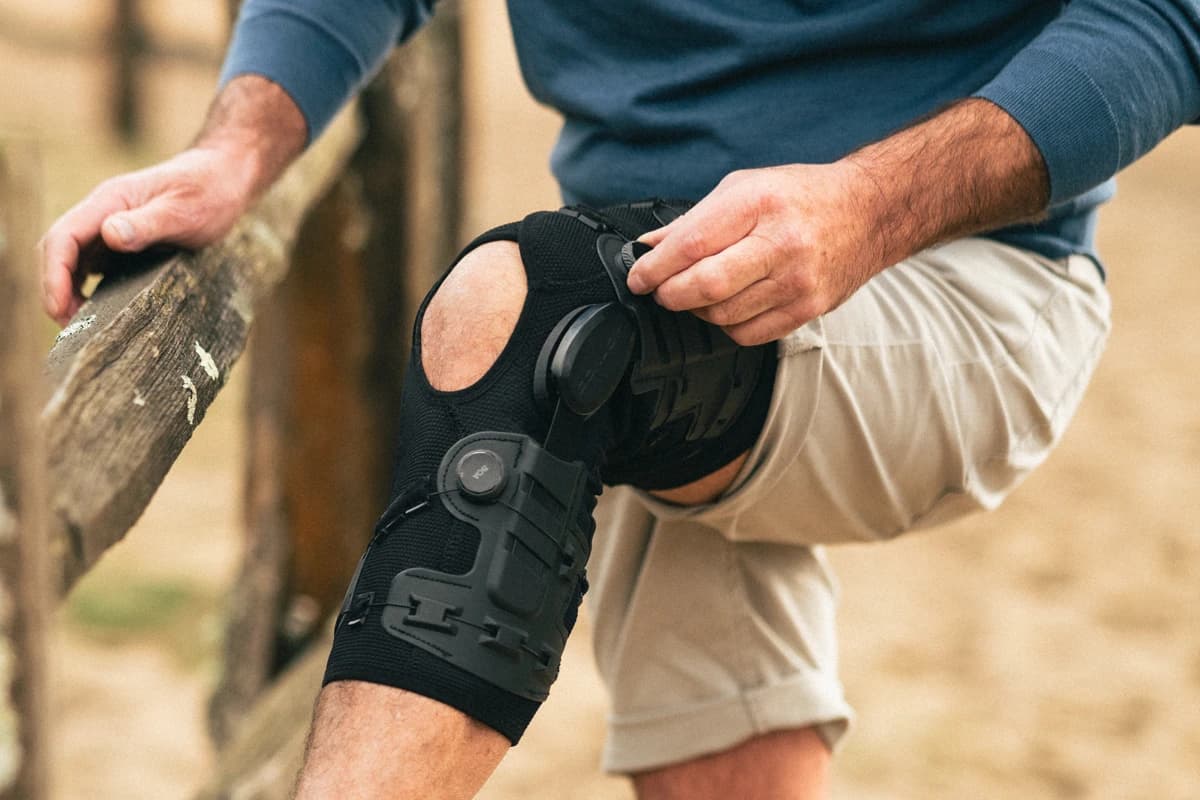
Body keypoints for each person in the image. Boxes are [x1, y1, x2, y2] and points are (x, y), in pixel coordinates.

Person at [39, 1, 1200, 798]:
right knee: (701, 669)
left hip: (964, 268)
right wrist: (236, 148)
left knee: (544, 327)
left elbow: (1167, 21)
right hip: (660, 260)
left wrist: (866, 206)